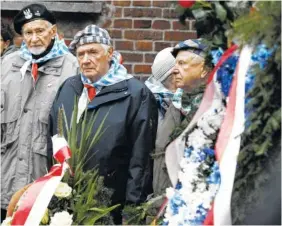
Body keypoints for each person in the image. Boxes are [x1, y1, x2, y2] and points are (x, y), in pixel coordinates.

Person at [47, 24, 158, 224]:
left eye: (93, 52)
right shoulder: (69, 88)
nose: (86, 59)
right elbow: (54, 137)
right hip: (66, 202)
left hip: (110, 204)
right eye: (80, 54)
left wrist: (132, 211)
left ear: (110, 54)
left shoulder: (135, 93)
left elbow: (141, 158)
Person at [0, 3, 79, 221]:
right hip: (4, 180)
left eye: (40, 31)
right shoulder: (8, 65)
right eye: (28, 32)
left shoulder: (72, 68)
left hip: (44, 183)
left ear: (53, 31)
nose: (34, 38)